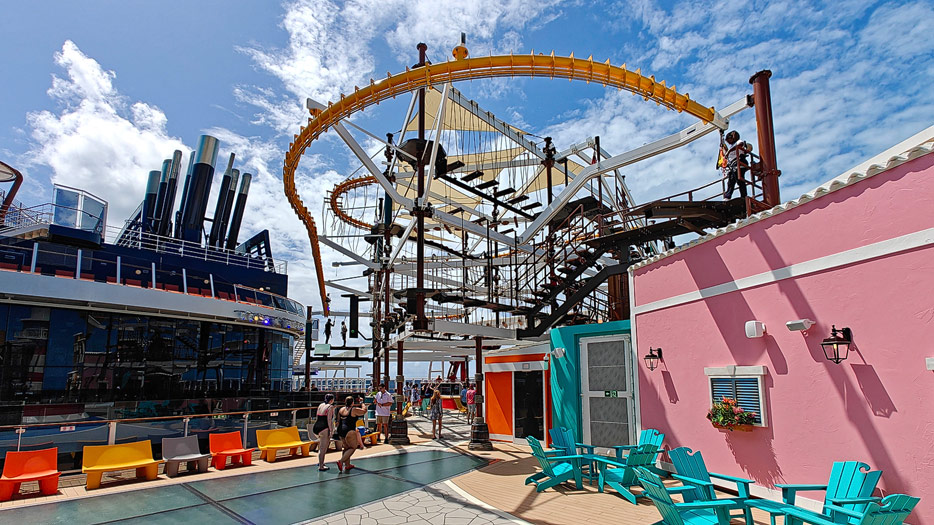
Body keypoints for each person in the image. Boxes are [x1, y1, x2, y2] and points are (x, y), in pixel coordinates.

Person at [335, 395, 367, 472]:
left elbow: (338, 421)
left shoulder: (341, 409)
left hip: (341, 430)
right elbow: (364, 411)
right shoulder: (353, 410)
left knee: (346, 448)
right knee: (353, 447)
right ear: (352, 403)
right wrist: (362, 402)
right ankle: (341, 461)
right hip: (349, 430)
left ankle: (347, 465)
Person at [720, 130, 751, 200]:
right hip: (733, 164)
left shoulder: (738, 142)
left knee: (738, 180)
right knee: (732, 181)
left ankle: (743, 196)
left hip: (739, 162)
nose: (728, 141)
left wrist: (729, 152)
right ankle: (728, 196)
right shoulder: (731, 146)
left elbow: (740, 145)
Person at [312, 393, 335, 471]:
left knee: (321, 446)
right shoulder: (330, 407)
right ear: (331, 400)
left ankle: (320, 462)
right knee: (323, 448)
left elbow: (317, 416)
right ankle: (321, 466)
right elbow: (329, 420)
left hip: (316, 427)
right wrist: (331, 430)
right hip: (324, 428)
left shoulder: (320, 405)